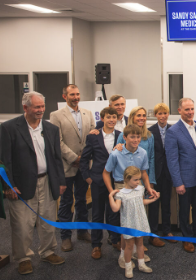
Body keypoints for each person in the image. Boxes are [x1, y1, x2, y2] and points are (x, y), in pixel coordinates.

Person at [1, 91, 66, 275]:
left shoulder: (51, 128)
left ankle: (48, 251)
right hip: (21, 185)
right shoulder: (9, 128)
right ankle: (23, 258)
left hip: (47, 181)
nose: (41, 110)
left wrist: (60, 181)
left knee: (48, 221)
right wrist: (8, 185)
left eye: (42, 106)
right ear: (25, 108)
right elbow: (4, 161)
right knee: (22, 225)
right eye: (37, 107)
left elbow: (56, 158)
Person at [49, 84, 96, 251]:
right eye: (72, 94)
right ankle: (65, 236)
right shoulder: (55, 116)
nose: (76, 97)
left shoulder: (87, 113)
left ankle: (82, 231)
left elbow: (92, 137)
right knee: (66, 201)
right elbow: (57, 141)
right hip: (67, 166)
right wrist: (73, 158)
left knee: (82, 200)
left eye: (77, 94)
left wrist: (84, 159)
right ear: (65, 96)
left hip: (84, 166)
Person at [103, 124, 154, 268]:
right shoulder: (116, 153)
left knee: (138, 219)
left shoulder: (143, 153)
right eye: (132, 137)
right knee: (126, 222)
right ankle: (123, 254)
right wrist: (111, 192)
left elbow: (144, 173)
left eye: (138, 137)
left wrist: (149, 188)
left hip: (137, 187)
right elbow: (106, 173)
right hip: (121, 187)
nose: (136, 139)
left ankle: (134, 252)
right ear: (124, 138)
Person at [80, 107, 122, 259]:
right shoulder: (93, 136)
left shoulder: (120, 136)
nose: (111, 120)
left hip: (115, 181)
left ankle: (116, 240)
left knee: (114, 213)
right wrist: (87, 177)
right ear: (102, 118)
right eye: (109, 117)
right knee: (97, 213)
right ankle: (96, 245)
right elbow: (84, 159)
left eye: (114, 117)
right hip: (97, 180)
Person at [165, 98, 196, 253]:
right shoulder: (173, 132)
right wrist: (178, 182)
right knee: (184, 210)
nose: (190, 112)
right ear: (179, 111)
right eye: (187, 109)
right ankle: (186, 238)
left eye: (192, 109)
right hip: (184, 179)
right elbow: (172, 160)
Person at [116, 106, 159, 245]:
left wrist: (150, 181)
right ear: (132, 117)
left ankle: (139, 245)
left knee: (140, 213)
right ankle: (127, 247)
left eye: (144, 115)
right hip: (125, 182)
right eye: (138, 115)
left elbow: (151, 159)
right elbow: (118, 156)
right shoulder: (123, 134)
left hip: (141, 181)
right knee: (127, 216)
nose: (141, 118)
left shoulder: (149, 135)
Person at [109, 166, 160, 278]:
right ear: (127, 179)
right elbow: (115, 209)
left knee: (140, 244)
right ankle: (128, 267)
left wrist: (153, 199)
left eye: (139, 179)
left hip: (140, 221)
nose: (138, 182)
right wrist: (110, 196)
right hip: (128, 224)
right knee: (129, 246)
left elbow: (142, 202)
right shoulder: (121, 193)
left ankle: (141, 264)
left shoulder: (140, 189)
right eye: (135, 180)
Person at [147, 103, 176, 244]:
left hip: (168, 172)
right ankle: (153, 233)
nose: (163, 116)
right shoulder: (149, 131)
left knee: (166, 203)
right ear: (155, 115)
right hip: (154, 173)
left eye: (165, 113)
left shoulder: (173, 130)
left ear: (168, 114)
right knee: (153, 205)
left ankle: (167, 230)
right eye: (160, 113)